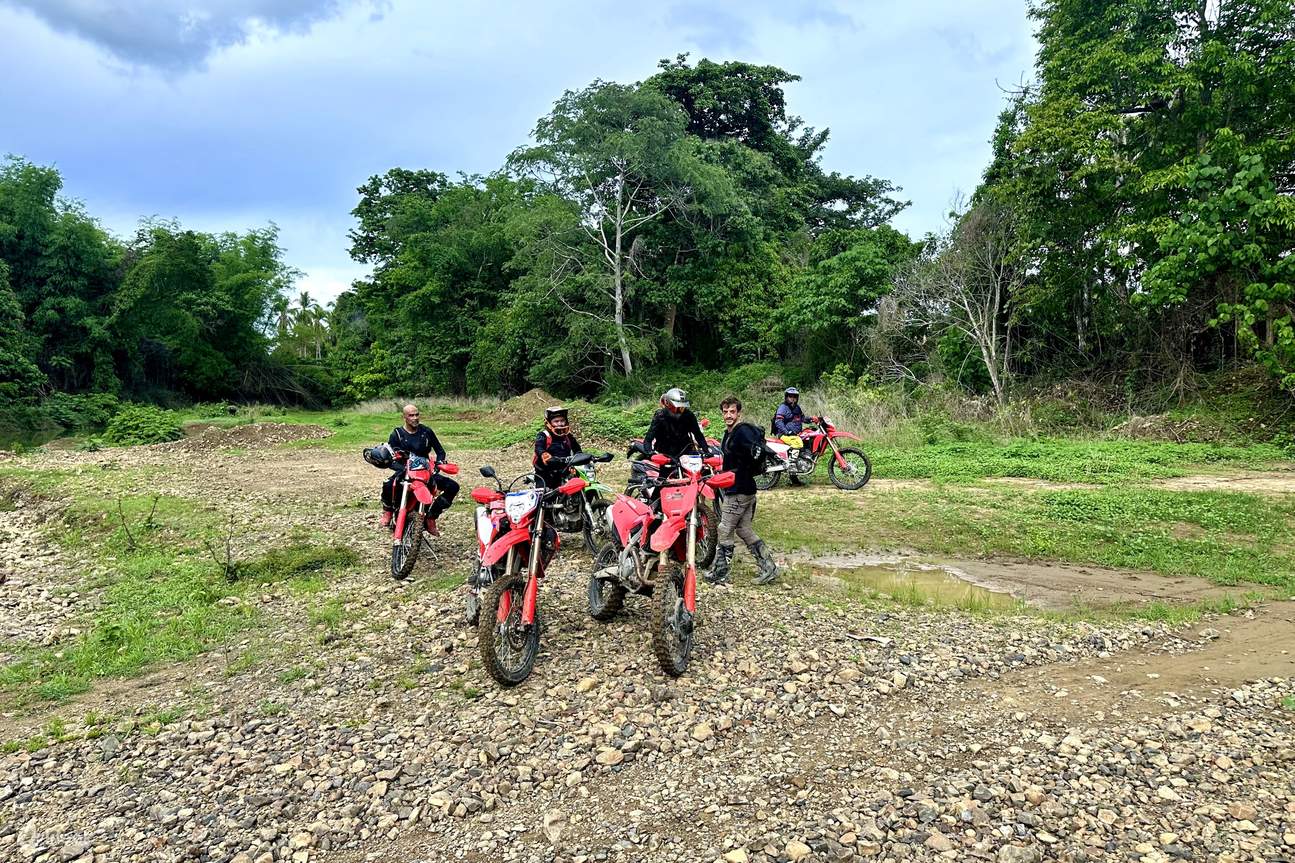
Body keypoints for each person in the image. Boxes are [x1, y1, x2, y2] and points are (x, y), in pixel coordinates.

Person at [707, 396, 779, 586]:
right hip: (744, 488)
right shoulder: (728, 433)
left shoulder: (742, 431)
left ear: (739, 412)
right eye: (725, 412)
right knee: (744, 529)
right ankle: (769, 568)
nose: (728, 415)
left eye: (732, 411)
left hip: (739, 489)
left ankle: (721, 572)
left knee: (724, 528)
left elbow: (755, 451)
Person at [380, 404, 458, 534]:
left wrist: (439, 463)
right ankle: (388, 511)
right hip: (405, 471)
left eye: (417, 414)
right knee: (388, 484)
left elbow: (440, 451)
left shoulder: (426, 431)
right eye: (411, 415)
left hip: (425, 471)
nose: (415, 418)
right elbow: (391, 457)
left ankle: (432, 516)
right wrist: (401, 468)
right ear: (404, 417)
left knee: (453, 487)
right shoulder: (397, 434)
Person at [643, 387, 707, 458]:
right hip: (664, 453)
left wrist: (706, 451)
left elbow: (698, 435)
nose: (681, 409)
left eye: (683, 406)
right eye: (678, 406)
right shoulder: (660, 416)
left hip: (685, 451)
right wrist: (650, 454)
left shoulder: (689, 415)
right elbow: (648, 439)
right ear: (668, 404)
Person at [534, 406, 582, 488]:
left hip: (564, 469)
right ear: (549, 423)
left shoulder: (568, 436)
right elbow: (539, 447)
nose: (560, 423)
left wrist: (583, 458)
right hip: (545, 472)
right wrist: (544, 455)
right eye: (556, 421)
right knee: (544, 496)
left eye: (562, 420)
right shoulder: (544, 435)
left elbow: (577, 450)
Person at [772, 386, 808, 485]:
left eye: (794, 397)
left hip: (794, 434)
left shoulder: (797, 408)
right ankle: (792, 465)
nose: (792, 398)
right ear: (786, 397)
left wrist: (813, 419)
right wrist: (787, 431)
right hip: (784, 435)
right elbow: (778, 422)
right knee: (798, 443)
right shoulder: (783, 408)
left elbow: (802, 418)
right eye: (790, 396)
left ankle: (794, 477)